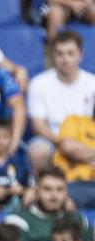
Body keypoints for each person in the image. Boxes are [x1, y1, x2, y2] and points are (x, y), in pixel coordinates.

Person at [26, 31, 95, 174]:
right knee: (38, 152)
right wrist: (62, 143)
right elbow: (38, 126)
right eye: (60, 54)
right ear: (53, 55)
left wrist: (78, 147)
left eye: (70, 53)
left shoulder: (92, 83)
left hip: (88, 139)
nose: (65, 59)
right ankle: (42, 192)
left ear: (80, 55)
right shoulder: (38, 83)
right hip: (52, 139)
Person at [4, 167, 92, 241]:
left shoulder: (78, 219)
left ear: (66, 192)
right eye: (47, 189)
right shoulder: (18, 220)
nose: (54, 196)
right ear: (36, 191)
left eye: (60, 189)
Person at [54, 105, 95, 209]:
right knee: (56, 196)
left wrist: (83, 153)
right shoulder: (75, 121)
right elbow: (68, 147)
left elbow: (75, 150)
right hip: (74, 183)